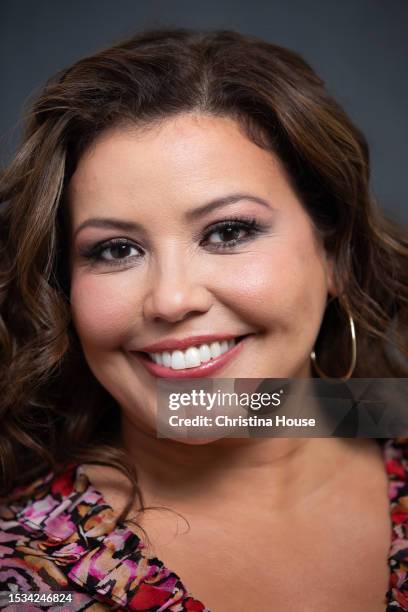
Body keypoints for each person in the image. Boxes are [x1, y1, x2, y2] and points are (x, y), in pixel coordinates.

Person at [0, 28, 407, 612]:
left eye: (228, 232)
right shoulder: (23, 570)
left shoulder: (389, 418)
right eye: (116, 249)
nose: (169, 299)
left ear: (334, 256)